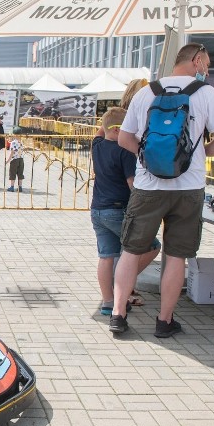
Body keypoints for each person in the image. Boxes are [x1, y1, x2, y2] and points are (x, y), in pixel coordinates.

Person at [110, 43, 214, 337]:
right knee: (177, 255)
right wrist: (197, 154)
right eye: (207, 64)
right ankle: (165, 321)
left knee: (130, 250)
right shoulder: (206, 93)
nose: (208, 70)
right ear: (196, 60)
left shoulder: (146, 92)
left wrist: (149, 156)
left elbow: (124, 139)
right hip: (189, 188)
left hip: (148, 186)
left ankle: (117, 314)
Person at [91, 107, 161, 317]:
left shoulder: (96, 146)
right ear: (118, 129)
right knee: (151, 247)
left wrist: (108, 122)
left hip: (97, 210)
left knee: (106, 257)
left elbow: (100, 132)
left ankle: (107, 301)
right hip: (118, 209)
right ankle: (123, 283)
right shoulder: (125, 152)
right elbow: (132, 184)